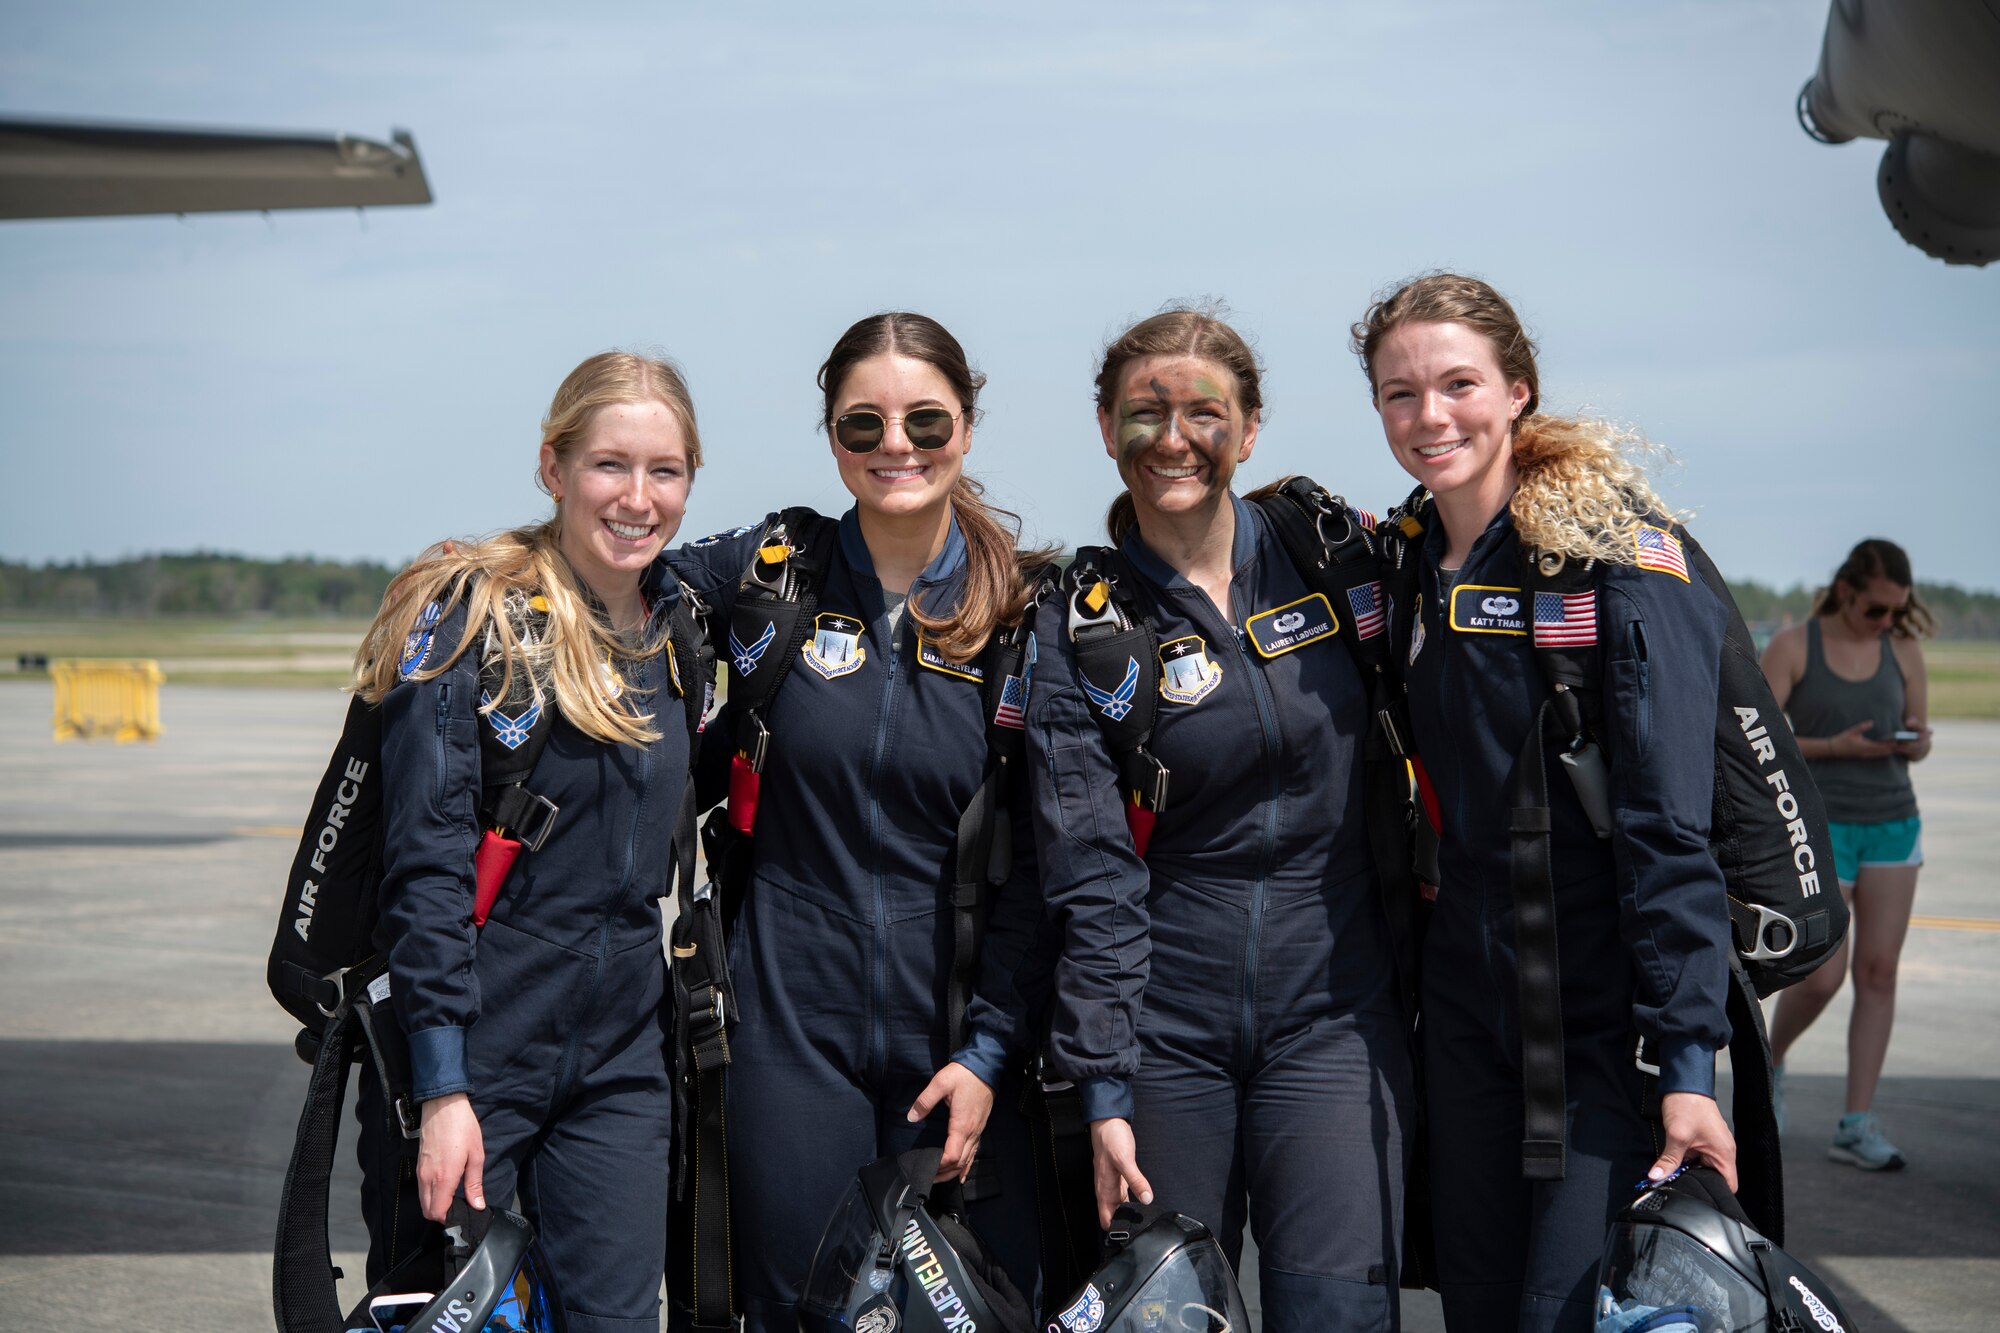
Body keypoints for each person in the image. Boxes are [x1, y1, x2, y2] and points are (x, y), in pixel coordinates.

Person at [1352, 274, 1739, 1333]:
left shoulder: (1611, 564)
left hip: (1596, 1028)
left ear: (1517, 389)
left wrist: (1688, 1064)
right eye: (1397, 394)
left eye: (1457, 384)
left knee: (1560, 1315)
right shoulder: (1406, 564)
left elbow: (1668, 828)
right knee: (1475, 1312)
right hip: (1465, 1020)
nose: (1429, 416)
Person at [1026, 308, 1413, 1332]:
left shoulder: (1336, 558)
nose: (1173, 436)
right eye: (1144, 412)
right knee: (1167, 1313)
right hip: (1166, 1032)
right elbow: (1089, 871)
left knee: (1336, 1313)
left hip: (1335, 1019)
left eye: (1204, 412)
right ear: (1106, 427)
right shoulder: (1083, 624)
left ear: (1247, 431)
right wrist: (1103, 1081)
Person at [665, 312, 1050, 1332]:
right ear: (829, 435)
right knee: (800, 1313)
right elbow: (618, 571)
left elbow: (1048, 870)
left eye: (925, 421)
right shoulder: (773, 573)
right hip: (791, 1030)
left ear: (965, 426)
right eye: (861, 424)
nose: (896, 446)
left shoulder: (1021, 615)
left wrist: (989, 1054)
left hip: (955, 1050)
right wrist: (496, 569)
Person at [357, 351, 705, 1333]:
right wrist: (441, 1087)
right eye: (608, 465)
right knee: (451, 1315)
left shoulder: (682, 622)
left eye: (664, 470)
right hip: (479, 1038)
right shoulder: (472, 620)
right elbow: (422, 870)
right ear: (552, 468)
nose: (637, 497)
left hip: (620, 1061)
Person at [1760, 538, 1933, 1169]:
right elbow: (1756, 739)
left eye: (1896, 611)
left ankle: (1856, 1124)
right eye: (1875, 610)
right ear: (1845, 592)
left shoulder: (1904, 651)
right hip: (1817, 826)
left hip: (1892, 824)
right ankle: (1772, 1063)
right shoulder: (1792, 647)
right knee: (1823, 976)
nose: (1886, 622)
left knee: (1879, 973)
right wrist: (1834, 747)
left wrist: (1914, 743)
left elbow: (1917, 731)